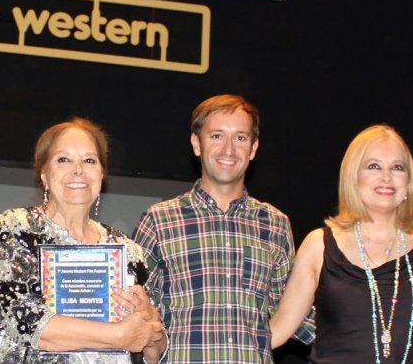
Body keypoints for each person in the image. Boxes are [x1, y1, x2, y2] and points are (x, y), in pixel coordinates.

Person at [133, 94, 315, 363]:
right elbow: (140, 312)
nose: (228, 149)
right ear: (197, 144)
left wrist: (360, 329)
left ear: (253, 149)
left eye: (240, 138)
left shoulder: (275, 223)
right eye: (217, 136)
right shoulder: (159, 220)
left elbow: (290, 309)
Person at [269, 124, 413, 363]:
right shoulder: (319, 245)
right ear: (353, 177)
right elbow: (278, 329)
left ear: (408, 184)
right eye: (374, 166)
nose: (386, 176)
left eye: (397, 168)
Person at [0, 117, 167, 364]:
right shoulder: (19, 227)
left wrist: (148, 320)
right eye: (63, 159)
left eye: (89, 160)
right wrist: (119, 335)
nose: (78, 169)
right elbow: (22, 318)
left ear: (102, 174)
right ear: (44, 174)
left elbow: (154, 353)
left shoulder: (127, 249)